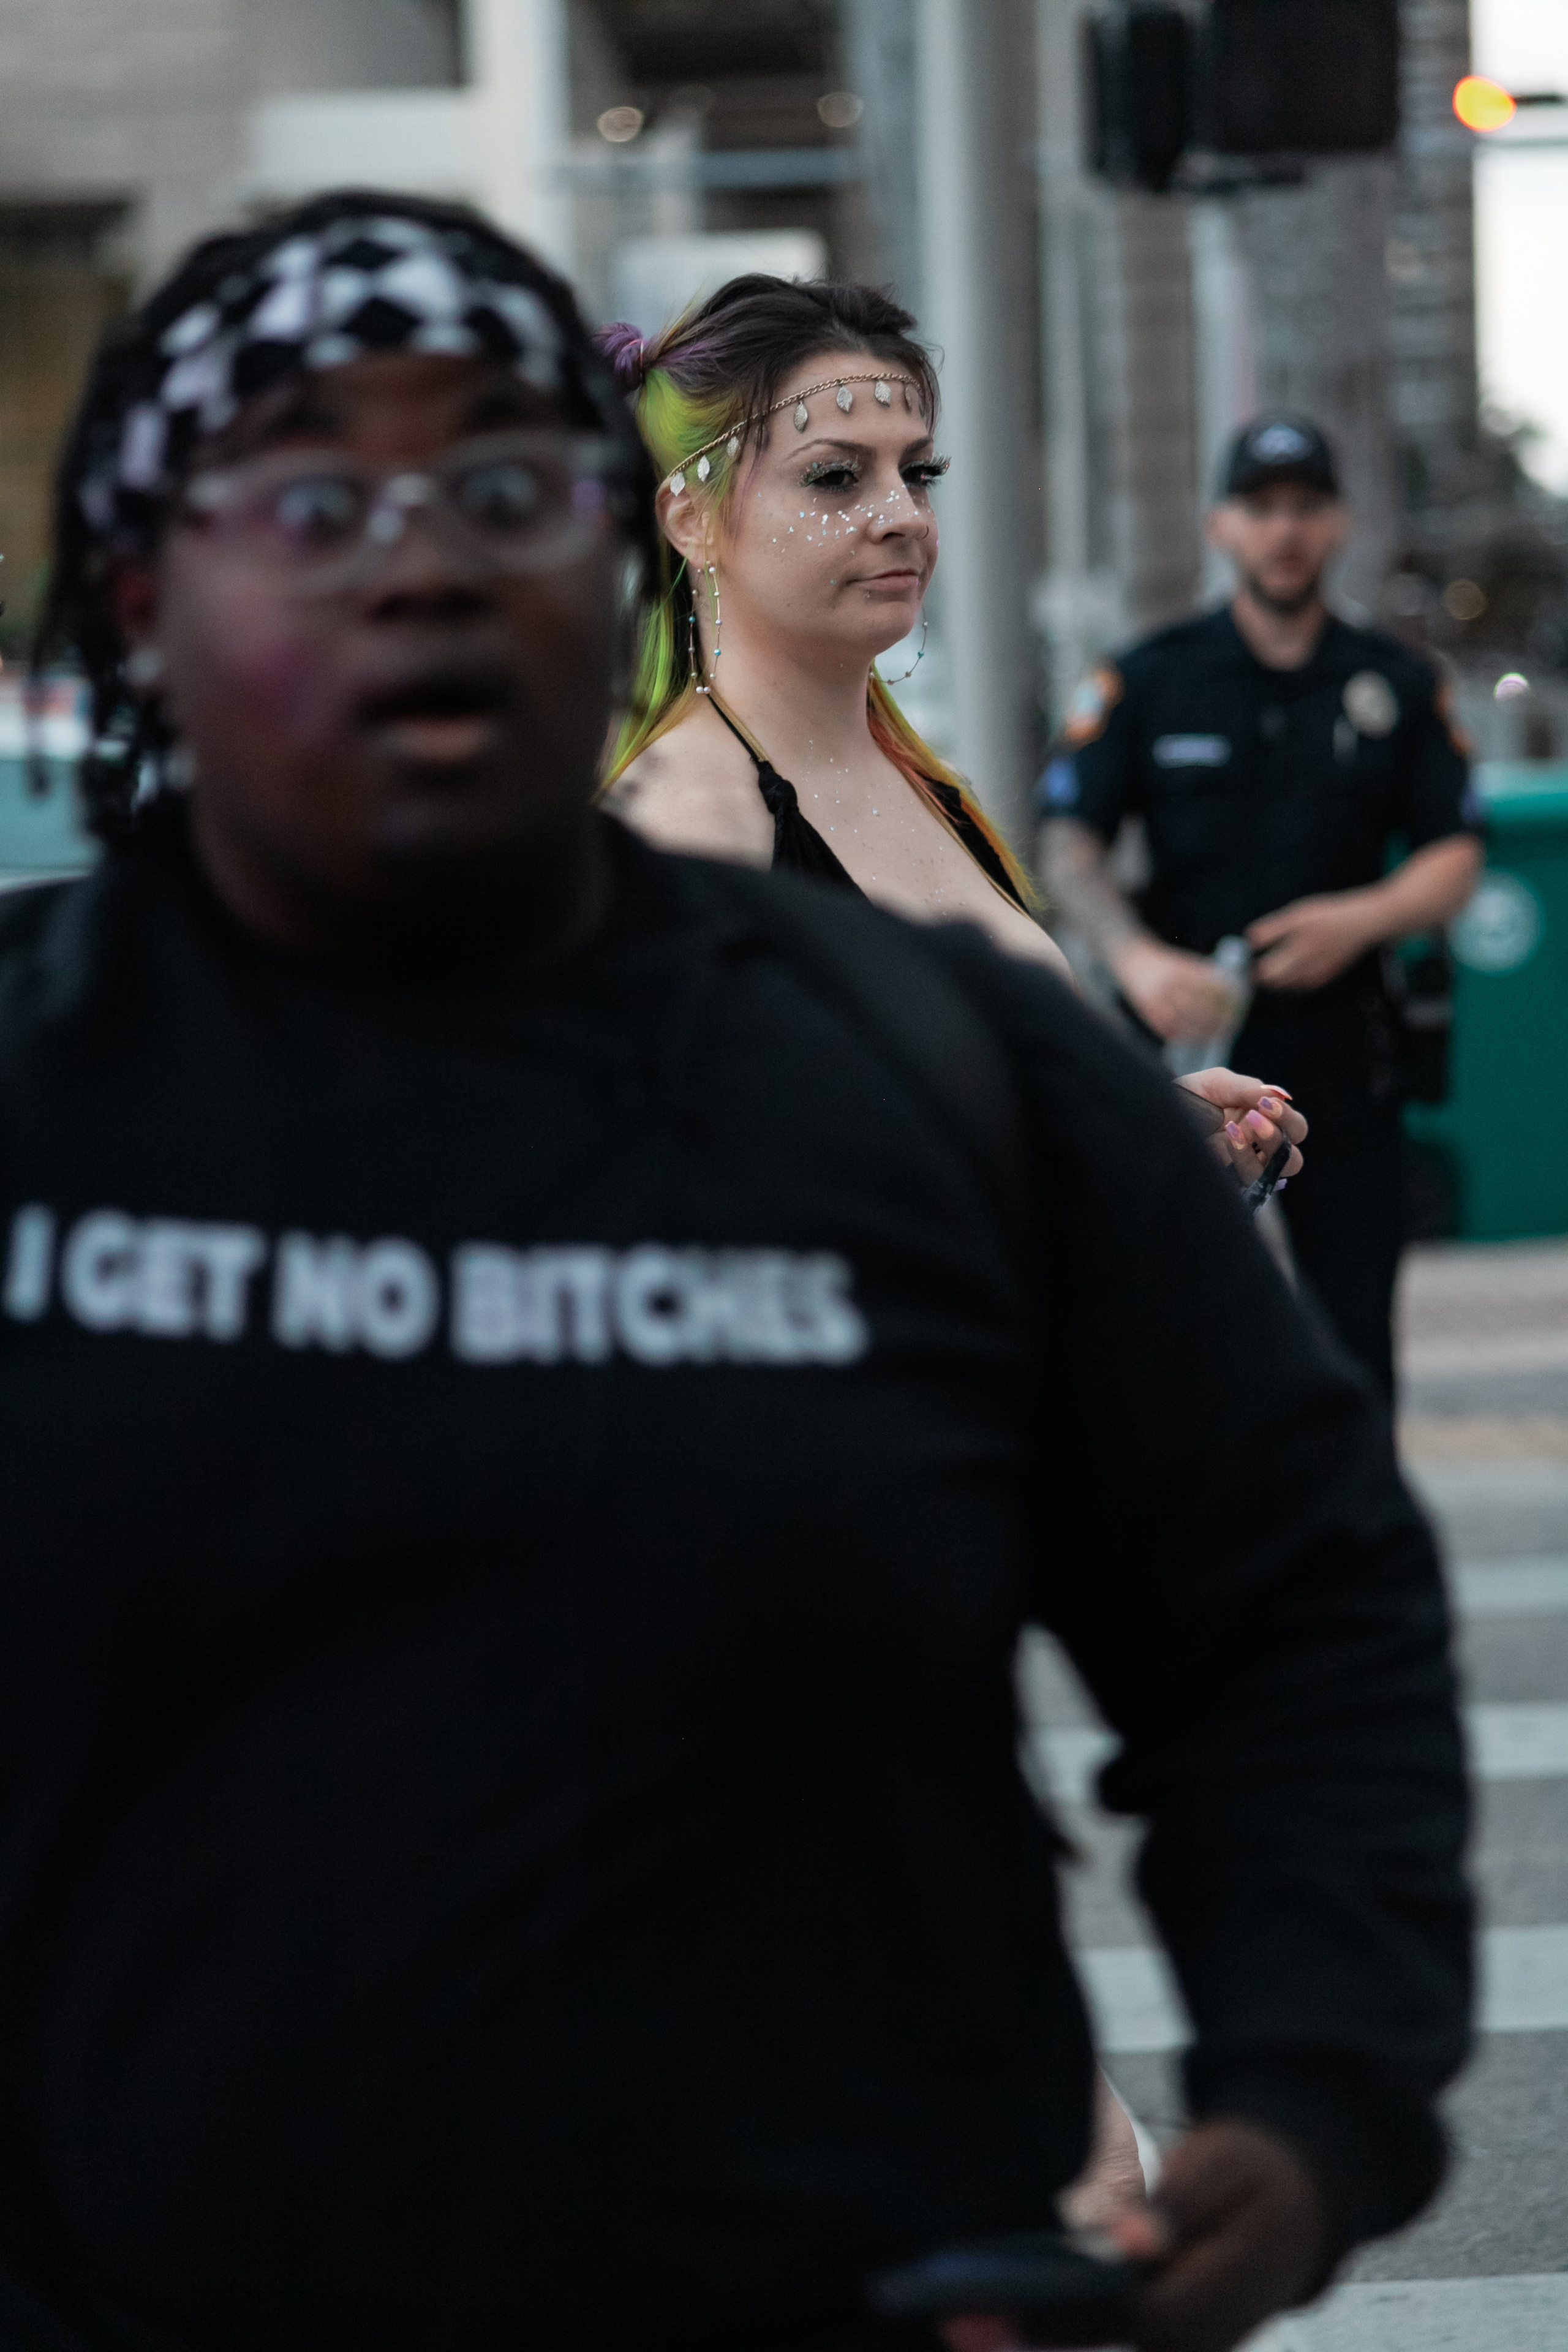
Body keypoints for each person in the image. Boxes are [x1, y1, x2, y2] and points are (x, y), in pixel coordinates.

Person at [0, 194, 1469, 2352]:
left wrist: (1315, 2090)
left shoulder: (931, 1069)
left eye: (502, 489)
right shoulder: (38, 1092)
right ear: (147, 580)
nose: (416, 565)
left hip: (825, 2254)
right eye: (311, 496)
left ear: (601, 547)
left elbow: (1289, 1603)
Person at [600, 277, 1304, 1197]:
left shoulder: (922, 786)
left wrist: (1150, 1127)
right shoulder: (684, 820)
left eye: (917, 473)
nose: (902, 516)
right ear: (691, 518)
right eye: (836, 476)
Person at [1039, 413, 1483, 1396]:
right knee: (1167, 1324)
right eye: (1262, 508)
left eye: (1307, 509)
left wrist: (1359, 920)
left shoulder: (1395, 683)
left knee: (1353, 1344)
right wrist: (1136, 959)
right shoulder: (1152, 679)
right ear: (1221, 527)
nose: (1284, 531)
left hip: (1344, 1055)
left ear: (1339, 526)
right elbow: (1068, 844)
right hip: (1184, 1052)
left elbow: (1456, 853)